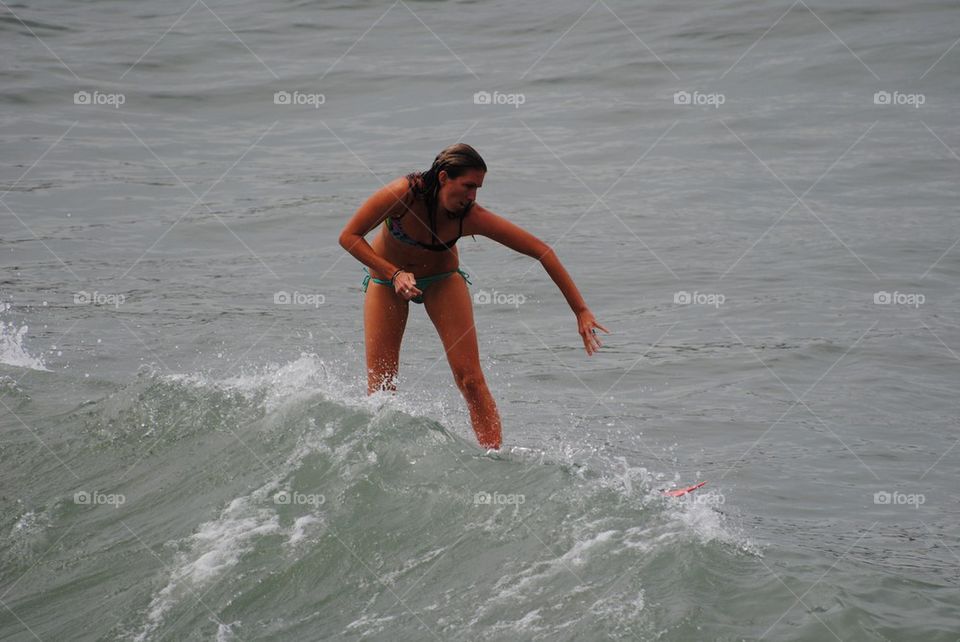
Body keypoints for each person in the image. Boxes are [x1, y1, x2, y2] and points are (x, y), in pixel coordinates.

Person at [338, 143, 608, 450]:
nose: (472, 197)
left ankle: (493, 455)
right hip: (387, 283)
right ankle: (379, 453)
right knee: (382, 387)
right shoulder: (403, 193)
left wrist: (581, 310)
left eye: (477, 188)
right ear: (443, 178)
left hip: (441, 282)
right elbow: (348, 236)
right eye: (467, 186)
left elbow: (542, 251)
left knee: (470, 379)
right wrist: (393, 273)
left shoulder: (470, 217)